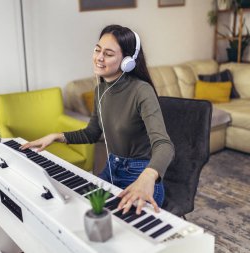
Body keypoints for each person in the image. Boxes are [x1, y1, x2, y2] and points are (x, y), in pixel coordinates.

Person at [20, 24, 174, 215]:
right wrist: (55, 136)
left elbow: (164, 144)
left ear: (128, 61)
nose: (99, 57)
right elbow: (92, 132)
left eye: (108, 54)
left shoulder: (142, 91)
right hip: (111, 168)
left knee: (124, 231)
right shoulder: (100, 90)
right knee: (78, 211)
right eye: (97, 50)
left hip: (139, 173)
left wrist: (148, 177)